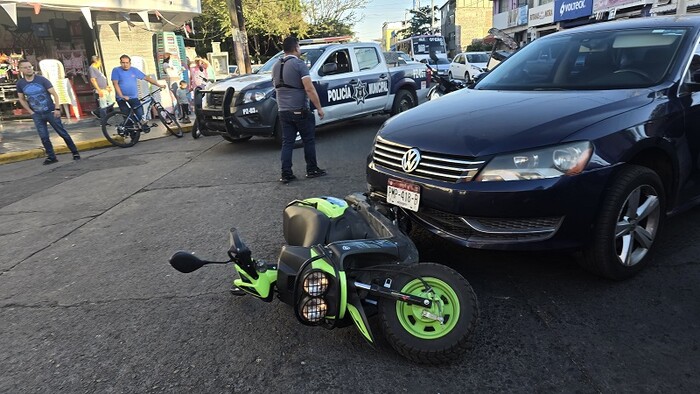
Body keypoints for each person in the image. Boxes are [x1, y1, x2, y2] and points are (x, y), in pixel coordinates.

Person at [271, 36, 326, 183]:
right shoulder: (299, 65)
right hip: (300, 110)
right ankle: (312, 169)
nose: (300, 49)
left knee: (287, 142)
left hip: (283, 110)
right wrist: (319, 108)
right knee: (308, 140)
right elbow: (309, 88)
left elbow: (275, 86)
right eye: (299, 47)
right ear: (296, 48)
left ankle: (286, 173)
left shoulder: (276, 66)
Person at [15, 59, 80, 165]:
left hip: (50, 111)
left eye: (30, 66)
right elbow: (21, 98)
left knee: (62, 132)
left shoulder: (42, 80)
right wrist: (30, 111)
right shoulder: (20, 83)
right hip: (37, 114)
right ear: (20, 69)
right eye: (25, 67)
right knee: (44, 136)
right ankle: (51, 156)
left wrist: (57, 108)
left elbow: (54, 94)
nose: (29, 69)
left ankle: (75, 152)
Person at [111, 54, 165, 130]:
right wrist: (121, 96)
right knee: (127, 115)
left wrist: (158, 85)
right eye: (123, 62)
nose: (125, 64)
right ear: (120, 63)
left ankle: (141, 126)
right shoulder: (116, 70)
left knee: (139, 112)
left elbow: (147, 78)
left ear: (130, 63)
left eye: (127, 63)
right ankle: (130, 132)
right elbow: (115, 84)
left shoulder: (134, 70)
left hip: (133, 97)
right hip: (121, 98)